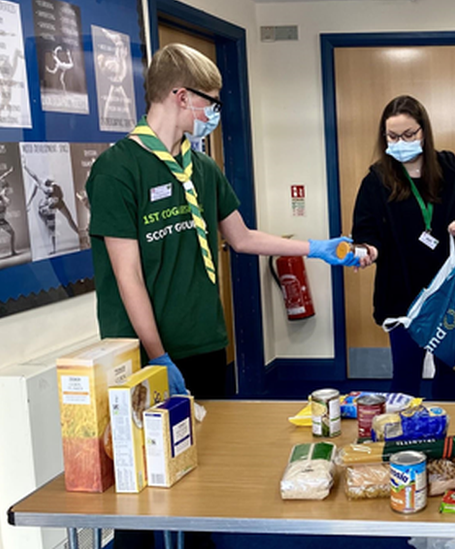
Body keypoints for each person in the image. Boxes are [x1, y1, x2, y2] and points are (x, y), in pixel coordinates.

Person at [86, 43, 362, 549]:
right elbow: (128, 276)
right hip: (146, 355)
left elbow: (242, 239)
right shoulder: (118, 169)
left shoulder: (201, 169)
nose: (214, 112)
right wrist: (157, 354)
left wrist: (317, 247)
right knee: (144, 480)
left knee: (202, 467)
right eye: (208, 101)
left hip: (204, 343)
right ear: (178, 95)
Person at [351, 95, 455, 401]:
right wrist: (368, 250)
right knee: (405, 375)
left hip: (449, 291)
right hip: (402, 295)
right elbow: (364, 231)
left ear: (423, 132)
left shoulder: (451, 169)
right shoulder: (377, 179)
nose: (401, 141)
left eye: (408, 134)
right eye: (393, 136)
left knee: (448, 372)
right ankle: (401, 440)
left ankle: (445, 436)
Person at [24, 162, 80, 254]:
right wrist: (28, 204)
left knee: (69, 219)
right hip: (52, 204)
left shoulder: (52, 187)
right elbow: (33, 182)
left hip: (57, 202)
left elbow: (58, 195)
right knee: (52, 225)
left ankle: (79, 235)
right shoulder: (39, 183)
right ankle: (53, 248)